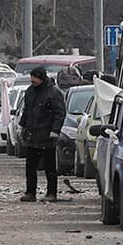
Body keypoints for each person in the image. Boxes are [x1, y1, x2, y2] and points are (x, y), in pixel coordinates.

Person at [17, 67, 70, 202]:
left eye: (34, 78)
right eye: (31, 78)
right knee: (30, 166)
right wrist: (21, 125)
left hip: (47, 136)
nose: (32, 80)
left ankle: (51, 192)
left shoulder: (53, 92)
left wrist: (55, 130)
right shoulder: (30, 91)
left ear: (41, 78)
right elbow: (27, 110)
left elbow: (60, 113)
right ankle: (30, 192)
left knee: (49, 166)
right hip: (32, 135)